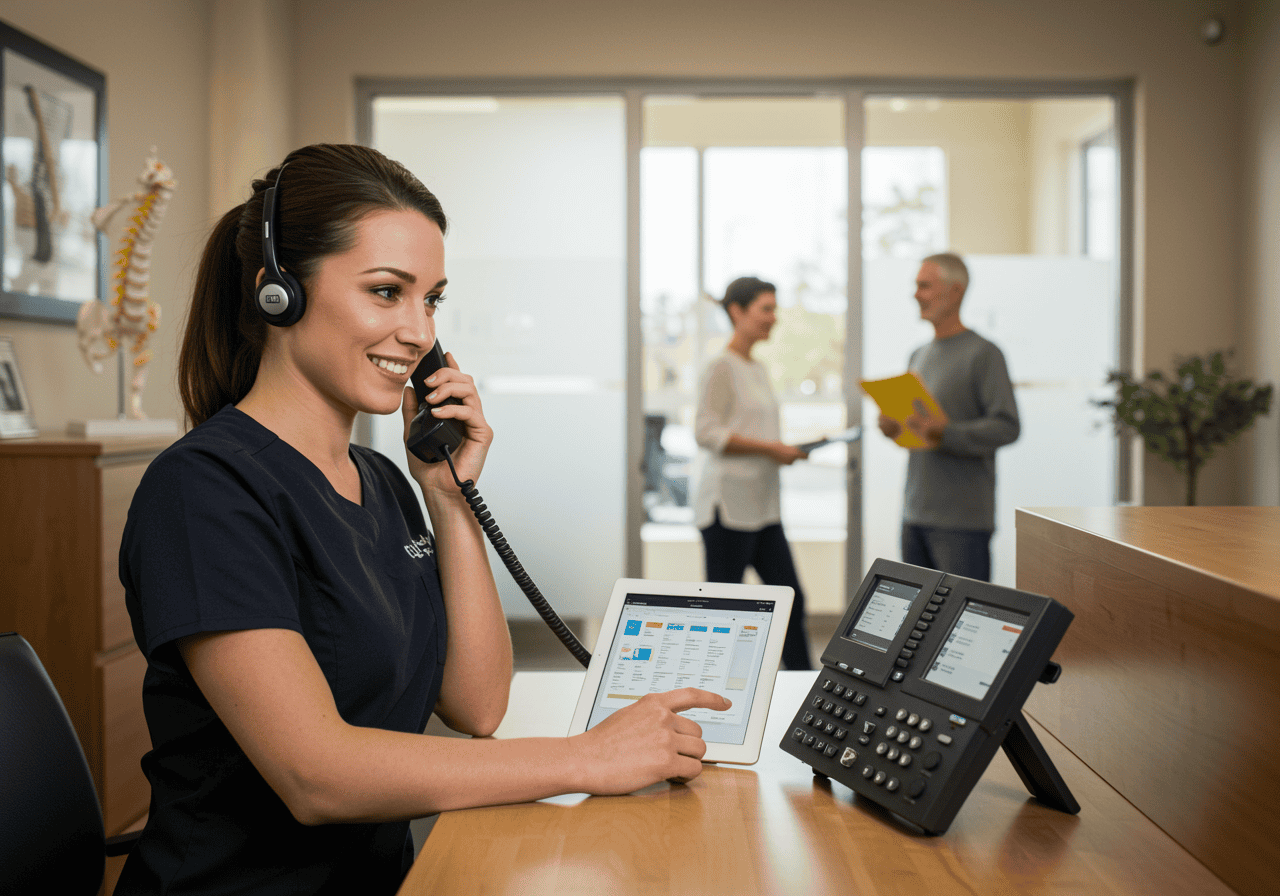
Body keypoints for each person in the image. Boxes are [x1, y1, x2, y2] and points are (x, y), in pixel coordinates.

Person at [115, 144, 730, 896]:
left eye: (431, 300)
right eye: (386, 292)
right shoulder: (204, 490)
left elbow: (476, 704)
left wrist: (448, 495)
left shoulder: (382, 481)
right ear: (279, 293)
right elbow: (316, 775)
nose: (418, 333)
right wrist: (585, 758)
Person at [692, 276, 813, 671]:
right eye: (766, 309)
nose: (773, 317)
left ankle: (806, 688)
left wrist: (780, 450)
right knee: (723, 615)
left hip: (764, 508)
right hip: (728, 509)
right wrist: (770, 449)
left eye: (775, 308)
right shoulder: (720, 367)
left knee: (791, 601)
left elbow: (756, 430)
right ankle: (713, 690)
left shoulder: (756, 368)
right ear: (737, 312)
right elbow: (706, 432)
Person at [877, 252, 1020, 582]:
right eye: (916, 286)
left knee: (959, 614)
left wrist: (945, 432)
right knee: (917, 614)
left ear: (955, 291)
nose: (916, 295)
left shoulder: (984, 354)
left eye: (925, 286)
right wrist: (894, 427)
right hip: (914, 514)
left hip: (962, 524)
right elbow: (920, 431)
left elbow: (1007, 426)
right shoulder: (918, 355)